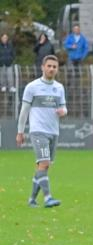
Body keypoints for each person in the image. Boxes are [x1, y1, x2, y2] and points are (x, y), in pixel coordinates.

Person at [16, 55, 67, 208]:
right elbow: (24, 111)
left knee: (43, 166)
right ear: (42, 67)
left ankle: (32, 199)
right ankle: (48, 198)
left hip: (54, 132)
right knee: (44, 163)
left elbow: (64, 107)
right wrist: (20, 132)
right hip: (38, 131)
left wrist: (63, 111)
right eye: (49, 66)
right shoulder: (32, 87)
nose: (51, 69)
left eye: (54, 67)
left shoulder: (59, 88)